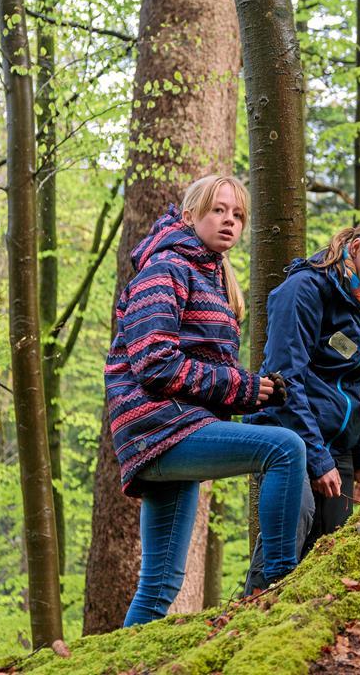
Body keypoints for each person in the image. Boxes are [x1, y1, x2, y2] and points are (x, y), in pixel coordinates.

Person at [105, 176, 305, 626]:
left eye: (237, 215)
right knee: (285, 448)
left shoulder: (210, 275)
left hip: (173, 429)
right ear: (190, 215)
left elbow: (198, 364)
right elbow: (154, 362)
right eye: (218, 210)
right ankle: (276, 588)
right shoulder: (166, 269)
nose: (229, 221)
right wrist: (243, 389)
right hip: (161, 426)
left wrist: (253, 388)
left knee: (158, 587)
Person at [245, 215, 360, 574]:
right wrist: (318, 459)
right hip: (288, 435)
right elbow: (283, 379)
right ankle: (257, 616)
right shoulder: (304, 290)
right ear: (356, 249)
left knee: (330, 555)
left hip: (340, 447)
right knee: (293, 532)